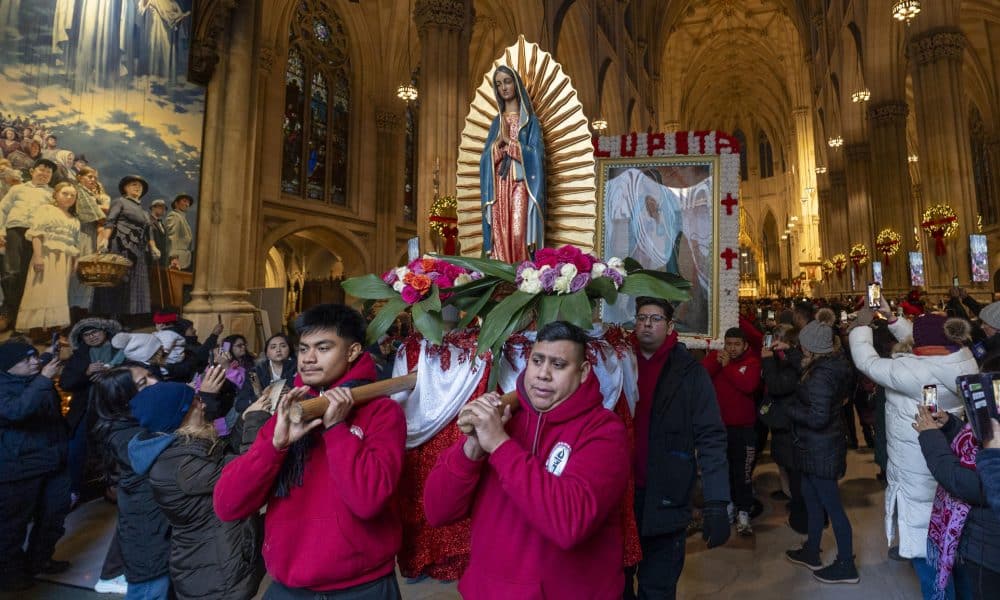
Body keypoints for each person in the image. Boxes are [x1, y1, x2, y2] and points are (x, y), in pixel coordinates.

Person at [214, 303, 406, 599]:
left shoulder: (382, 413)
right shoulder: (290, 410)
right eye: (303, 349)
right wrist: (275, 446)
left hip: (362, 587)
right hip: (289, 587)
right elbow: (228, 505)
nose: (308, 359)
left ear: (353, 351)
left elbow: (368, 501)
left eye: (323, 347)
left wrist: (337, 430)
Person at [423, 321, 628, 598]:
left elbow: (569, 525)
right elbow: (437, 511)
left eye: (558, 365)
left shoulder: (604, 431)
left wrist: (499, 444)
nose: (543, 374)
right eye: (537, 360)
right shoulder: (503, 417)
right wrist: (473, 448)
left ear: (583, 372)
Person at [849, 301, 978, 598]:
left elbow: (867, 362)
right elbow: (927, 339)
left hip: (918, 469)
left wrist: (861, 326)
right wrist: (893, 318)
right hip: (950, 461)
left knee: (929, 555)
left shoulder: (910, 371)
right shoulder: (962, 359)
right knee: (956, 548)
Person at [625, 297, 730, 600]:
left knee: (658, 588)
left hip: (667, 496)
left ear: (670, 326)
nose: (647, 324)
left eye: (655, 319)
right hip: (621, 499)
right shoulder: (617, 361)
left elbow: (711, 436)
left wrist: (717, 501)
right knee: (614, 587)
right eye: (642, 317)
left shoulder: (690, 372)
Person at [92, 366, 223, 600]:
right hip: (149, 541)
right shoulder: (133, 437)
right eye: (144, 383)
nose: (156, 381)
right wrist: (205, 401)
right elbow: (181, 448)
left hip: (164, 534)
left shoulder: (145, 425)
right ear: (125, 399)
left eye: (150, 374)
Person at [147, 370, 266, 600]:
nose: (203, 406)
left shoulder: (181, 446)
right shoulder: (183, 465)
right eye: (196, 402)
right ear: (178, 417)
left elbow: (225, 456)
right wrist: (255, 420)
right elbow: (245, 473)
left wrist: (242, 421)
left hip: (211, 557)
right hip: (213, 569)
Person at [784, 309, 858, 584]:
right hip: (814, 446)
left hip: (820, 447)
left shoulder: (820, 377)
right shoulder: (831, 364)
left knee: (831, 506)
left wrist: (791, 410)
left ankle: (846, 564)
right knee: (811, 499)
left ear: (811, 348)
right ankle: (812, 550)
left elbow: (817, 417)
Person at [0, 342, 68, 591]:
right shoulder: (7, 385)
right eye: (26, 359)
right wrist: (44, 380)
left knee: (53, 515)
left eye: (35, 357)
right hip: (19, 466)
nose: (34, 362)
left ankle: (39, 560)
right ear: (8, 365)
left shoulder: (36, 379)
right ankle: (9, 574)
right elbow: (16, 411)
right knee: (12, 525)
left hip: (53, 460)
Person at [914, 406, 999, 600]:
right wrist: (951, 426)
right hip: (977, 541)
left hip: (988, 554)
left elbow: (966, 483)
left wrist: (930, 437)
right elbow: (977, 448)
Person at [479, 66, 545, 263]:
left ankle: (520, 275)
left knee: (518, 233)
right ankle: (500, 280)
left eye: (507, 81)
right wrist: (495, 148)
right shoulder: (496, 123)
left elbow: (536, 155)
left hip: (520, 184)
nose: (503, 88)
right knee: (499, 234)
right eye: (499, 84)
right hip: (499, 186)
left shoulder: (531, 122)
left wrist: (511, 143)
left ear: (515, 84)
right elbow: (484, 160)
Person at [59, 317, 125, 506]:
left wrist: (112, 372)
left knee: (114, 448)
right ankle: (73, 490)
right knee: (76, 449)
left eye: (95, 332)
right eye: (87, 335)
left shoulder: (119, 351)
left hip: (115, 408)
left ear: (105, 331)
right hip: (86, 410)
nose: (92, 337)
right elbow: (66, 383)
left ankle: (114, 487)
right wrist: (85, 373)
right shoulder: (79, 356)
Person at [702, 327, 761, 535]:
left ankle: (744, 511)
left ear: (745, 345)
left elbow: (748, 385)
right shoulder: (718, 360)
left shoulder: (752, 363)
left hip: (744, 429)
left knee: (742, 473)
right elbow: (702, 375)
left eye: (736, 344)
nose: (732, 348)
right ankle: (727, 507)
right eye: (728, 344)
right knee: (723, 471)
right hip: (720, 428)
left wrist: (727, 367)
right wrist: (714, 360)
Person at [759, 324, 807, 532]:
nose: (775, 342)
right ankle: (798, 508)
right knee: (789, 470)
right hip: (784, 424)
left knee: (797, 476)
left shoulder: (793, 367)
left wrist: (768, 362)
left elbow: (778, 386)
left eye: (779, 338)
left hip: (792, 427)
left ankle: (802, 519)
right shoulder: (787, 361)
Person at [15, 182, 81, 332]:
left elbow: (75, 244)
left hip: (64, 259)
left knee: (57, 292)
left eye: (73, 195)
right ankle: (36, 327)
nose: (69, 197)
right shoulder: (46, 210)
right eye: (65, 193)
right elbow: (37, 234)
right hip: (46, 254)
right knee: (41, 289)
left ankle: (52, 326)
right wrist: (38, 257)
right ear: (55, 194)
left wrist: (75, 262)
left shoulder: (74, 220)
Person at [93, 175, 158, 318]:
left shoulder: (144, 212)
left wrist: (154, 248)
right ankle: (111, 318)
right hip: (120, 245)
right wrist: (104, 240)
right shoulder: (120, 202)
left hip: (138, 250)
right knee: (119, 281)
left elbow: (149, 233)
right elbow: (110, 222)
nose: (137, 187)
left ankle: (125, 319)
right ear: (125, 188)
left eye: (140, 186)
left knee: (134, 285)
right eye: (134, 184)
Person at [0, 158, 56, 316]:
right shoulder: (17, 189)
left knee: (30, 275)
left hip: (38, 237)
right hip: (15, 231)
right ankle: (8, 312)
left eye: (48, 172)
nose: (44, 174)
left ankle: (23, 316)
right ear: (32, 171)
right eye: (41, 170)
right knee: (12, 272)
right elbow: (2, 209)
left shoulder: (52, 194)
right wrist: (1, 231)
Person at [70, 166, 111, 313]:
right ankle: (72, 309)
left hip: (92, 232)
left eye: (94, 178)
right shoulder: (77, 191)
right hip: (81, 231)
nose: (93, 180)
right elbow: (98, 216)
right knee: (77, 268)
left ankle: (83, 308)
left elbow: (101, 216)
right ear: (80, 177)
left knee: (88, 270)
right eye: (89, 177)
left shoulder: (91, 195)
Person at [165, 193, 194, 270]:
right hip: (176, 261)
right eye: (184, 201)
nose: (187, 204)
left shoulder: (182, 218)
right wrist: (174, 257)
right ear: (176, 204)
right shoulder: (174, 216)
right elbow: (172, 236)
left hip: (184, 260)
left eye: (188, 202)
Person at [148, 199, 170, 268]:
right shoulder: (148, 220)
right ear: (153, 208)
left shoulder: (163, 225)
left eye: (164, 208)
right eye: (160, 207)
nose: (163, 209)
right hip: (151, 260)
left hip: (162, 262)